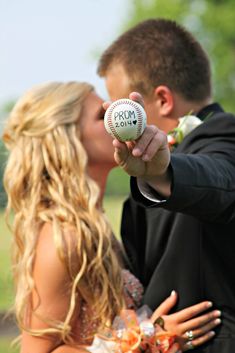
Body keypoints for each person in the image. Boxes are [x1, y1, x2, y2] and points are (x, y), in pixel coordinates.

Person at [2, 81, 221, 353]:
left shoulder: (93, 225)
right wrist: (146, 340)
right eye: (101, 116)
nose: (115, 118)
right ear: (66, 138)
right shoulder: (64, 238)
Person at [98, 18, 235, 352]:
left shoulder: (225, 136)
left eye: (121, 106)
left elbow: (222, 181)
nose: (110, 126)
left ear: (162, 99)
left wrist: (163, 174)